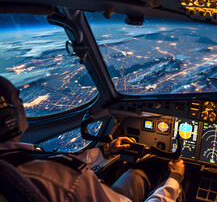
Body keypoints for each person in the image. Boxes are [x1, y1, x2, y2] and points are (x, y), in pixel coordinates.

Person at [0, 76, 185, 201]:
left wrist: (106, 151)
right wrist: (174, 180)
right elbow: (62, 171)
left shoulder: (14, 162)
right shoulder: (64, 179)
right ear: (8, 118)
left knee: (135, 175)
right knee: (172, 189)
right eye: (20, 100)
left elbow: (61, 164)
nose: (23, 106)